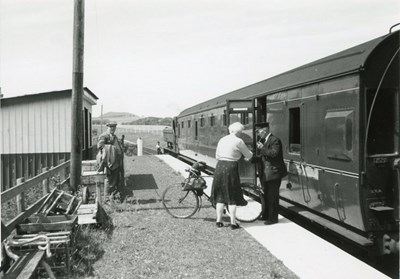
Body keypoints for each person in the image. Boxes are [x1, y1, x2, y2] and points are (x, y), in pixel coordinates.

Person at [210, 122, 253, 229]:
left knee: (220, 195)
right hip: (231, 168)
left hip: (219, 166)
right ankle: (233, 223)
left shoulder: (222, 139)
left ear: (230, 130)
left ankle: (219, 221)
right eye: (241, 132)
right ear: (238, 132)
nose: (241, 133)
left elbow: (217, 155)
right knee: (232, 195)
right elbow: (248, 155)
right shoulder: (239, 141)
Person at [256, 122, 287, 225]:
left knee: (272, 197)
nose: (258, 134)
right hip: (265, 173)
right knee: (264, 195)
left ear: (264, 130)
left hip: (274, 173)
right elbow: (262, 157)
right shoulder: (263, 140)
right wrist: (252, 159)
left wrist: (262, 148)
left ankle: (273, 218)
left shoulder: (275, 140)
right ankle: (265, 215)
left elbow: (274, 154)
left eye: (258, 131)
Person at [97, 121, 125, 202]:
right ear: (107, 127)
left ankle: (113, 197)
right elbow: (100, 145)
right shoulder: (104, 136)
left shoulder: (114, 136)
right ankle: (107, 199)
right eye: (111, 127)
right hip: (109, 162)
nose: (112, 128)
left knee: (116, 180)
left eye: (114, 127)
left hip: (116, 162)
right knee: (109, 180)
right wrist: (112, 148)